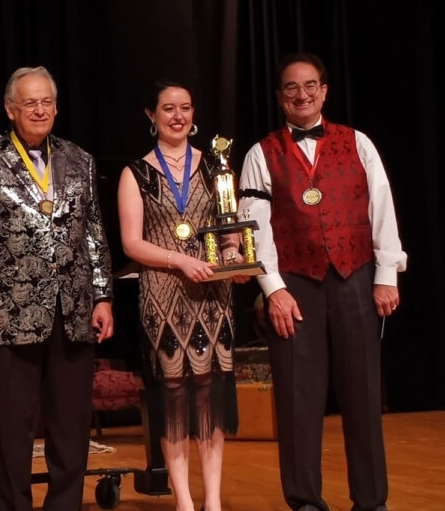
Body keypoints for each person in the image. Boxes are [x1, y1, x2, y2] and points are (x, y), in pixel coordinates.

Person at [238, 52, 407, 511]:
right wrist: (273, 290)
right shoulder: (261, 153)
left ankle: (371, 501)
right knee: (298, 401)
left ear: (324, 90)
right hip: (294, 286)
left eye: (310, 85)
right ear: (280, 97)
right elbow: (254, 228)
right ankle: (305, 501)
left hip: (356, 280)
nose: (302, 94)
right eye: (291, 88)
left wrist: (386, 274)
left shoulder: (358, 143)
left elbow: (382, 209)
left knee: (364, 398)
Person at [0, 66, 115, 511]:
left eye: (47, 101)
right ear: (11, 110)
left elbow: (95, 233)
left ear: (57, 106)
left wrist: (103, 295)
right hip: (9, 315)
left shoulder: (79, 159)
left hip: (75, 310)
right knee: (11, 431)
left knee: (71, 428)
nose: (40, 109)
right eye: (30, 103)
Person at [118, 80, 244, 511]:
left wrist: (234, 254)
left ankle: (213, 501)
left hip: (212, 294)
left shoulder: (216, 166)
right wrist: (180, 260)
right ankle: (185, 502)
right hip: (162, 292)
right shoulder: (135, 173)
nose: (178, 116)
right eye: (168, 108)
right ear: (150, 115)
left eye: (185, 108)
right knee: (174, 398)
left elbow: (229, 227)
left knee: (211, 396)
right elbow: (132, 244)